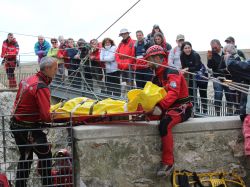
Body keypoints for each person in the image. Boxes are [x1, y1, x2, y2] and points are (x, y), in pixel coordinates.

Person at [144, 45, 192, 177]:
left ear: (158, 58)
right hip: (170, 107)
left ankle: (168, 162)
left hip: (182, 108)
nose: (147, 63)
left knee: (165, 124)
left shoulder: (171, 71)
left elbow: (173, 93)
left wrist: (160, 107)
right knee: (145, 118)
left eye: (149, 59)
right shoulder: (157, 76)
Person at [10, 57, 58, 187]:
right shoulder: (41, 86)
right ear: (47, 69)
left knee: (26, 157)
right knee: (46, 155)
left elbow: (18, 103)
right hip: (29, 128)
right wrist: (58, 117)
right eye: (55, 69)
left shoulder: (27, 80)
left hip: (17, 125)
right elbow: (46, 116)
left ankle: (20, 185)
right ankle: (47, 184)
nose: (56, 71)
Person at [180, 41, 208, 114]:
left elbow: (197, 67)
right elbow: (183, 67)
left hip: (201, 76)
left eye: (189, 48)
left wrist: (188, 69)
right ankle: (196, 110)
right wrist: (185, 70)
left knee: (203, 93)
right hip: (192, 76)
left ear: (191, 48)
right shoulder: (182, 55)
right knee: (192, 94)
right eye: (185, 48)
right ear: (183, 49)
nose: (187, 49)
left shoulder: (195, 54)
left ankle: (205, 111)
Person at [207, 39, 231, 116]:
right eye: (212, 48)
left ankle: (229, 112)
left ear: (220, 45)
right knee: (218, 94)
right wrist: (209, 59)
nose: (214, 49)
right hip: (217, 78)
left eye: (215, 47)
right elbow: (209, 66)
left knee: (229, 94)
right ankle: (217, 113)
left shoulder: (226, 51)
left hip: (227, 78)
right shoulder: (211, 53)